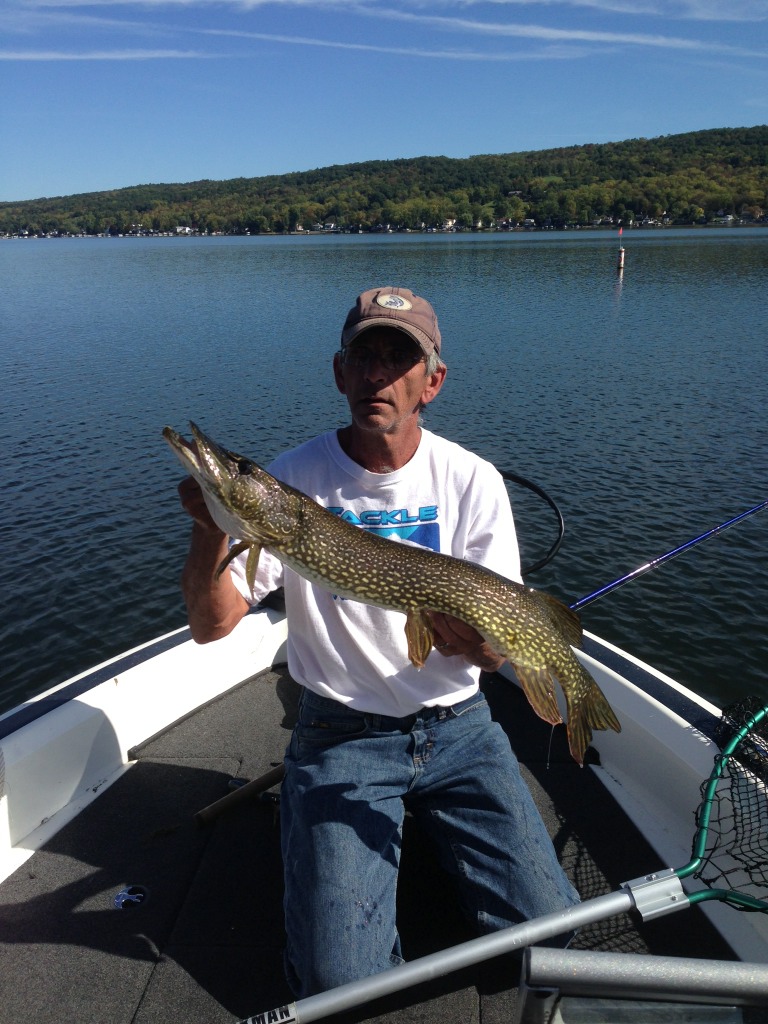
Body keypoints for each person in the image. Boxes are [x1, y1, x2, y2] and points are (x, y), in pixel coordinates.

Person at [176, 286, 579, 998]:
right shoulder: (292, 480)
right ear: (340, 372)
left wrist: (479, 647)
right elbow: (212, 626)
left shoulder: (472, 480)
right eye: (363, 358)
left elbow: (496, 650)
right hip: (340, 738)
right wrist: (212, 526)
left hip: (460, 730)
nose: (377, 375)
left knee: (555, 939)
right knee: (339, 981)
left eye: (398, 359)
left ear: (432, 381)